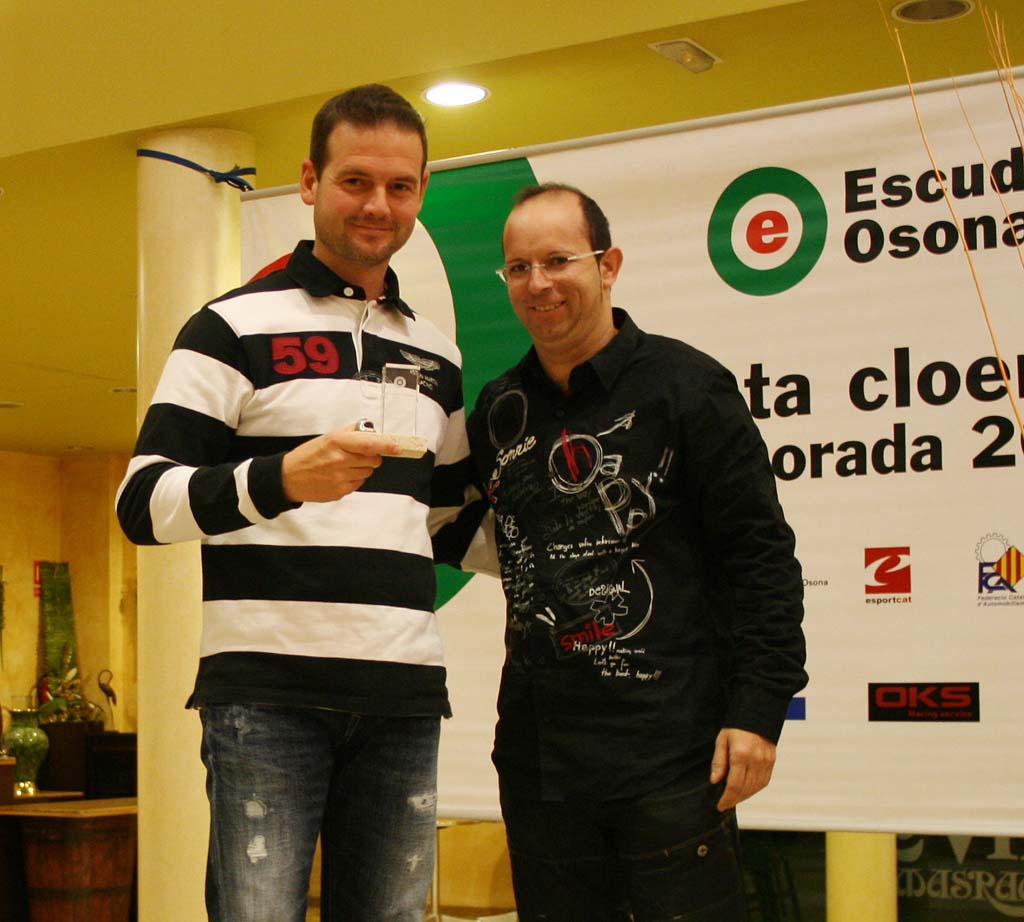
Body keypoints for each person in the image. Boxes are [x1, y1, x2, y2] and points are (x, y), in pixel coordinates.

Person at [117, 84, 485, 922]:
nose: (378, 204)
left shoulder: (436, 354)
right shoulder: (227, 327)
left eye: (399, 186)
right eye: (356, 181)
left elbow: (447, 521)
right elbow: (142, 502)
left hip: (401, 693)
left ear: (421, 192)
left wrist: (575, 552)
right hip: (266, 694)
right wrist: (278, 480)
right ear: (311, 181)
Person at [466, 183, 807, 921]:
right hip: (539, 761)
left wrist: (758, 710)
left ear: (608, 264)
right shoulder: (496, 409)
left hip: (671, 756)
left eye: (558, 260)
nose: (538, 283)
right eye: (519, 268)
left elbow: (760, 558)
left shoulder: (688, 387)